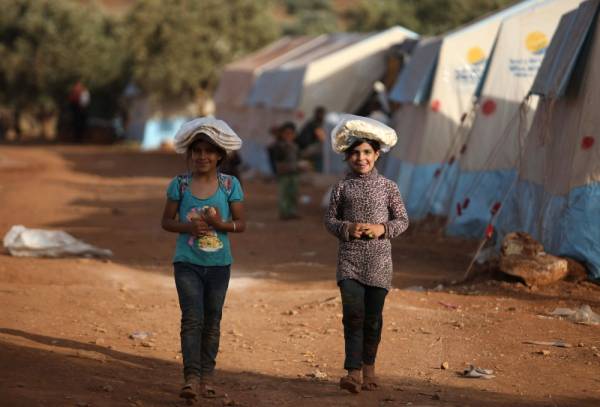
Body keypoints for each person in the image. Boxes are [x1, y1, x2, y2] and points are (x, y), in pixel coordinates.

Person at [161, 117, 246, 402]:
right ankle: (191, 377)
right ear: (190, 155)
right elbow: (166, 221)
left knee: (213, 320)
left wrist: (220, 225)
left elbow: (241, 224)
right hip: (186, 262)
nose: (202, 156)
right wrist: (188, 227)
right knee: (192, 319)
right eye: (197, 151)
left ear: (220, 155)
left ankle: (207, 376)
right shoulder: (180, 185)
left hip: (220, 265)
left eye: (209, 151)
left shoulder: (230, 185)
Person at [324, 115, 409, 393]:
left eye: (366, 152)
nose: (361, 158)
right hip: (349, 261)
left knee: (373, 317)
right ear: (348, 157)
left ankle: (369, 367)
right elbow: (330, 221)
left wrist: (380, 228)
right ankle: (353, 371)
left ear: (376, 155)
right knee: (353, 314)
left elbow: (402, 221)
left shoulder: (389, 187)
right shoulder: (341, 188)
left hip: (379, 263)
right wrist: (348, 227)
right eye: (355, 153)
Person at [272, 121, 300, 220]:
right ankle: (284, 212)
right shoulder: (280, 146)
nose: (289, 136)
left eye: (291, 133)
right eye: (286, 133)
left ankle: (292, 211)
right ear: (282, 134)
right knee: (284, 194)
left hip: (294, 173)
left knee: (293, 193)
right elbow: (278, 161)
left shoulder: (295, 146)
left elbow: (296, 159)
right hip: (284, 174)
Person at [297, 106, 326, 172]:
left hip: (309, 148)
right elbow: (321, 138)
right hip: (308, 148)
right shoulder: (313, 124)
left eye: (322, 114)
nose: (321, 116)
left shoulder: (314, 123)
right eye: (320, 114)